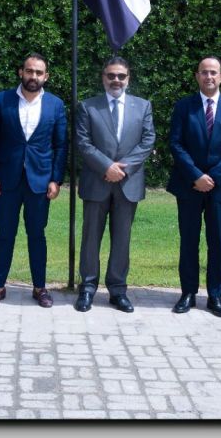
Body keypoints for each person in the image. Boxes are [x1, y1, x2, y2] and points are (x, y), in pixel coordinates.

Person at [0, 53, 69, 308]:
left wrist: (56, 180)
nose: (33, 76)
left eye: (39, 72)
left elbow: (61, 145)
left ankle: (40, 287)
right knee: (5, 234)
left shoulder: (55, 105)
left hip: (40, 182)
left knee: (37, 235)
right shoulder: (2, 100)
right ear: (21, 72)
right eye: (29, 71)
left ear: (46, 76)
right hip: (6, 180)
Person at [166, 56, 221, 318]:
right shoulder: (184, 107)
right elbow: (176, 143)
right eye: (204, 72)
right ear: (197, 76)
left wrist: (212, 177)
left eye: (213, 72)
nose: (209, 76)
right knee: (189, 241)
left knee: (217, 242)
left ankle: (215, 295)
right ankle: (188, 293)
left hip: (220, 187)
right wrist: (196, 176)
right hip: (188, 185)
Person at [74, 57, 156, 314]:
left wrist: (122, 168)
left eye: (121, 76)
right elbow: (83, 142)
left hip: (128, 183)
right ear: (103, 78)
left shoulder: (143, 106)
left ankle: (118, 290)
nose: (116, 80)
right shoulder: (88, 106)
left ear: (128, 78)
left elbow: (148, 140)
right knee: (90, 239)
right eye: (111, 75)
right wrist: (106, 167)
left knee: (122, 239)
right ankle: (88, 288)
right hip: (96, 181)